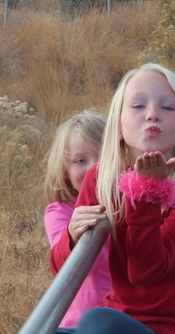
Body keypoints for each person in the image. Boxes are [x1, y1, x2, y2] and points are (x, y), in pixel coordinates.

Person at [50, 63, 175, 334]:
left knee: (98, 320)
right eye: (137, 106)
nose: (152, 115)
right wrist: (72, 237)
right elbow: (62, 274)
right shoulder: (101, 180)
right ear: (119, 127)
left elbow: (145, 272)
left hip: (169, 329)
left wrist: (146, 190)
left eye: (168, 108)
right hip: (115, 321)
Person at [43, 110, 111, 331]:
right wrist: (72, 234)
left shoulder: (133, 205)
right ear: (65, 173)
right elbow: (59, 264)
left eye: (104, 156)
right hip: (77, 325)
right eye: (81, 160)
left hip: (123, 320)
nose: (94, 168)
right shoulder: (60, 212)